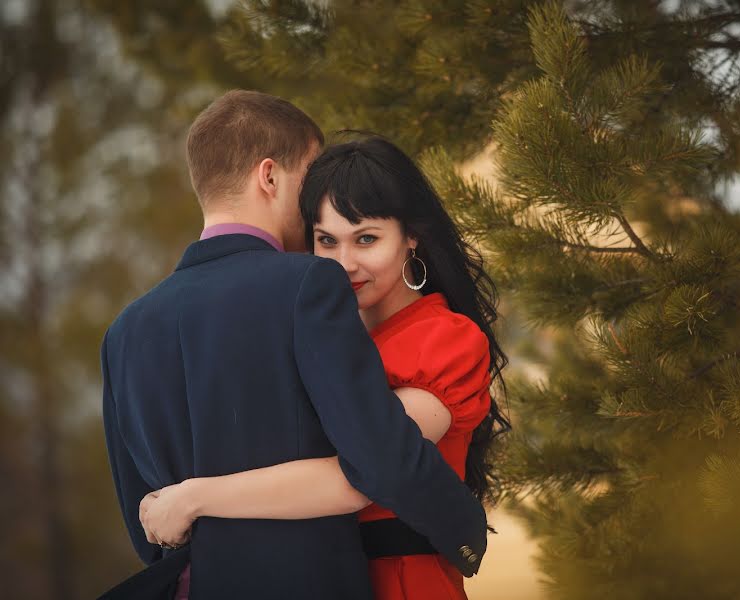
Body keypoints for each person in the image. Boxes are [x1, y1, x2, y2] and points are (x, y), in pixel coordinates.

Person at [100, 92, 488, 600]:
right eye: (309, 181)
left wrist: (193, 500)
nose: (340, 259)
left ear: (409, 238)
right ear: (269, 176)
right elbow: (378, 460)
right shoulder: (306, 289)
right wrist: (464, 527)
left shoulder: (123, 332)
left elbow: (146, 527)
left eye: (366, 238)